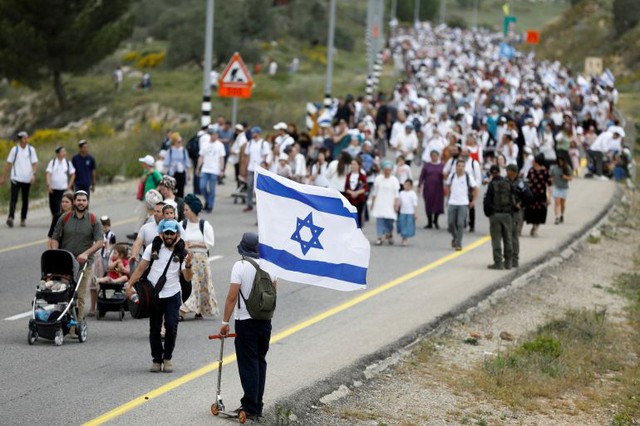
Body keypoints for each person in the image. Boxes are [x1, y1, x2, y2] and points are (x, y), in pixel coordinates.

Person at [219, 232, 277, 420]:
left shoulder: (240, 266)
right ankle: (257, 405)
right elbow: (273, 292)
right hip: (265, 321)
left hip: (246, 321)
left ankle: (249, 406)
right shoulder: (270, 265)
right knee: (260, 361)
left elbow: (231, 297)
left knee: (248, 364)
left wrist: (225, 322)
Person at [126, 220, 193, 373]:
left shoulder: (182, 253)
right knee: (154, 328)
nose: (169, 236)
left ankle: (167, 358)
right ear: (162, 234)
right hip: (154, 294)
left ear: (177, 234)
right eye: (166, 233)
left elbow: (187, 278)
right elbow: (141, 269)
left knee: (171, 326)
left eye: (172, 233)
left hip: (173, 294)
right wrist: (129, 285)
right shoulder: (152, 248)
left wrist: (188, 265)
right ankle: (156, 359)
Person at [51, 190, 104, 330]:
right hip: (66, 263)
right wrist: (55, 253)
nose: (81, 203)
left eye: (83, 200)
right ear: (74, 202)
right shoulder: (65, 218)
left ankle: (77, 326)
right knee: (64, 293)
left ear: (87, 202)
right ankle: (63, 322)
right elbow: (55, 237)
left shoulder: (93, 219)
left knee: (79, 295)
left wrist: (86, 254)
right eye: (78, 200)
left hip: (83, 264)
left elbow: (100, 242)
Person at [180, 194, 218, 320]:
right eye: (184, 210)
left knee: (200, 284)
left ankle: (191, 310)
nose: (185, 212)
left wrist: (195, 244)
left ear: (194, 210)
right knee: (192, 283)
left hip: (201, 260)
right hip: (187, 258)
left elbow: (209, 244)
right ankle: (186, 308)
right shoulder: (183, 224)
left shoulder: (205, 225)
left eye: (187, 210)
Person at [1, 131, 38, 228]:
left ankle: (23, 219)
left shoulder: (31, 150)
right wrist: (3, 177)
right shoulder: (15, 150)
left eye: (27, 138)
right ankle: (10, 217)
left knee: (25, 200)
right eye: (24, 138)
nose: (26, 140)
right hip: (15, 178)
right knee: (14, 198)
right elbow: (8, 164)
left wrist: (34, 175)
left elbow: (34, 164)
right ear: (20, 139)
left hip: (27, 179)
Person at [483, 165, 514, 270]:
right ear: (500, 172)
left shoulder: (491, 184)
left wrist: (489, 214)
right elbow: (513, 198)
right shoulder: (507, 183)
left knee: (496, 239)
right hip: (507, 214)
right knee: (508, 238)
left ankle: (498, 262)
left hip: (495, 215)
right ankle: (509, 262)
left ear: (491, 173)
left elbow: (487, 202)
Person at [88, 215, 117, 316]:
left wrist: (109, 252)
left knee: (100, 284)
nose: (104, 228)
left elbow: (112, 246)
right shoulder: (95, 234)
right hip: (94, 260)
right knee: (92, 284)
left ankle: (100, 305)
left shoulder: (110, 235)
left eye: (106, 226)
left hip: (104, 260)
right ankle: (92, 306)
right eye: (102, 226)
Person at [446, 160, 478, 251]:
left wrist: (473, 201)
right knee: (451, 223)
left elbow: (475, 188)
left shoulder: (468, 177)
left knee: (460, 223)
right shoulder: (452, 176)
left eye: (462, 166)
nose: (460, 167)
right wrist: (448, 196)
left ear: (464, 167)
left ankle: (458, 243)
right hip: (452, 202)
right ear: (456, 167)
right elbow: (447, 186)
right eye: (459, 166)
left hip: (463, 203)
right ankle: (455, 237)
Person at [506, 163, 533, 268]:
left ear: (512, 172)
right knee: (507, 236)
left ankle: (515, 259)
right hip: (506, 212)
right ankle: (508, 259)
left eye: (508, 170)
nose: (506, 172)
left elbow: (529, 196)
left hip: (515, 213)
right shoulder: (506, 181)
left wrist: (520, 205)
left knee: (513, 236)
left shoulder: (520, 183)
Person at [131, 155, 163, 238]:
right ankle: (138, 232)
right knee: (144, 214)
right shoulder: (147, 172)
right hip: (146, 197)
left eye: (144, 163)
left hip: (151, 198)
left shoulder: (155, 173)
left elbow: (161, 182)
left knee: (146, 214)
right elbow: (142, 180)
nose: (142, 164)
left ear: (147, 164)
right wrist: (147, 173)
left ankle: (138, 232)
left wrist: (155, 191)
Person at [371, 161, 400, 245]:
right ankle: (380, 237)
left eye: (389, 170)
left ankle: (389, 234)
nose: (387, 172)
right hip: (380, 202)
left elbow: (396, 194)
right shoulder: (378, 179)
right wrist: (373, 203)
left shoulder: (394, 180)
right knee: (380, 219)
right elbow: (375, 192)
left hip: (390, 203)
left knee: (389, 221)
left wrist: (396, 204)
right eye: (385, 170)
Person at [197, 127, 225, 213]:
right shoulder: (205, 144)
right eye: (213, 135)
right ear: (210, 135)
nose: (215, 136)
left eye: (216, 135)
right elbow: (201, 156)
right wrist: (198, 167)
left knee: (212, 189)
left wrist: (222, 169)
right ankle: (207, 200)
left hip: (214, 170)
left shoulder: (220, 145)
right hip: (205, 169)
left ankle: (210, 205)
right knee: (202, 186)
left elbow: (221, 158)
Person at [525, 154, 552, 237]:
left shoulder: (545, 171)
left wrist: (549, 197)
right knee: (532, 212)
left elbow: (549, 185)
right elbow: (528, 182)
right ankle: (533, 226)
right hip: (531, 195)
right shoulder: (531, 170)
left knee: (541, 212)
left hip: (541, 195)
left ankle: (536, 229)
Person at [243, 127, 270, 212]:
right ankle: (249, 205)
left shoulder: (263, 143)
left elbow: (266, 156)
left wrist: (265, 167)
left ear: (258, 133)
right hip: (251, 168)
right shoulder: (250, 143)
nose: (252, 134)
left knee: (258, 188)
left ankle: (260, 206)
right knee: (249, 186)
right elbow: (247, 156)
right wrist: (244, 167)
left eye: (253, 132)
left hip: (260, 169)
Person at [45, 146, 75, 216]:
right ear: (58, 153)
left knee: (63, 204)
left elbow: (73, 174)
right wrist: (48, 185)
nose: (64, 153)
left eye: (65, 151)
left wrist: (69, 185)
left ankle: (61, 218)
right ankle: (55, 218)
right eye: (62, 151)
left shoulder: (67, 162)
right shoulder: (52, 162)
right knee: (53, 205)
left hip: (63, 188)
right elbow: (48, 174)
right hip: (53, 188)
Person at [418, 150, 445, 229]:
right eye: (432, 156)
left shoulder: (442, 165)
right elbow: (422, 176)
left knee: (438, 204)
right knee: (428, 204)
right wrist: (419, 185)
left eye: (435, 155)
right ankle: (429, 222)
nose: (434, 157)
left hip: (438, 188)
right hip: (428, 187)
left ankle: (436, 221)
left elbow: (445, 176)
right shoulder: (427, 165)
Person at [164, 132, 191, 198]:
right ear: (174, 142)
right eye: (178, 141)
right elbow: (166, 164)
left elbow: (187, 163)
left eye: (181, 141)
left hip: (181, 173)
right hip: (172, 174)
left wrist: (189, 174)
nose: (180, 143)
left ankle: (180, 206)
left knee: (181, 192)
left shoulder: (184, 150)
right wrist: (164, 176)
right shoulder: (170, 151)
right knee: (172, 192)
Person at [343, 157, 368, 227]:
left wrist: (357, 192)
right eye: (352, 164)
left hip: (359, 199)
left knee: (358, 215)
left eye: (354, 164)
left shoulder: (362, 176)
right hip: (350, 199)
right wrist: (351, 192)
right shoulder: (348, 176)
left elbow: (365, 187)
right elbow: (346, 187)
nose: (353, 166)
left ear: (359, 166)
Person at [549, 156, 572, 225]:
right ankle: (557, 217)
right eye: (559, 161)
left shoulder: (567, 168)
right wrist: (551, 182)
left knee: (562, 204)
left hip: (564, 187)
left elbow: (571, 178)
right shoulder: (554, 168)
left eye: (562, 161)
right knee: (557, 202)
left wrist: (565, 177)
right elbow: (551, 177)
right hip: (556, 187)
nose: (560, 162)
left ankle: (561, 215)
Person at [397, 179, 418, 246]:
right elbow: (399, 201)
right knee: (402, 225)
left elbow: (415, 204)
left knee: (408, 226)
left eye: (408, 185)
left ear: (411, 186)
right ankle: (403, 237)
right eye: (405, 184)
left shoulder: (412, 194)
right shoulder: (401, 193)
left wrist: (415, 213)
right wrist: (397, 206)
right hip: (402, 212)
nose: (406, 186)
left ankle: (405, 239)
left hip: (410, 212)